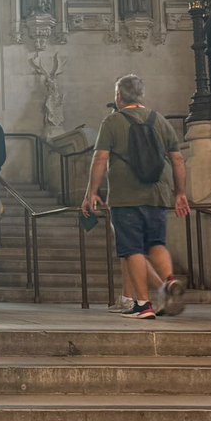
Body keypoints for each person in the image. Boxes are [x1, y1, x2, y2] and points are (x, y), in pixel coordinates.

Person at [81, 74, 190, 320]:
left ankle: (143, 304)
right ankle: (169, 280)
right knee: (156, 243)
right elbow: (177, 159)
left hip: (126, 196)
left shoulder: (113, 122)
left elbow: (100, 158)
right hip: (158, 194)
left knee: (132, 249)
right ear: (141, 95)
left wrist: (92, 192)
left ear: (119, 96)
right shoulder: (160, 120)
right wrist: (180, 193)